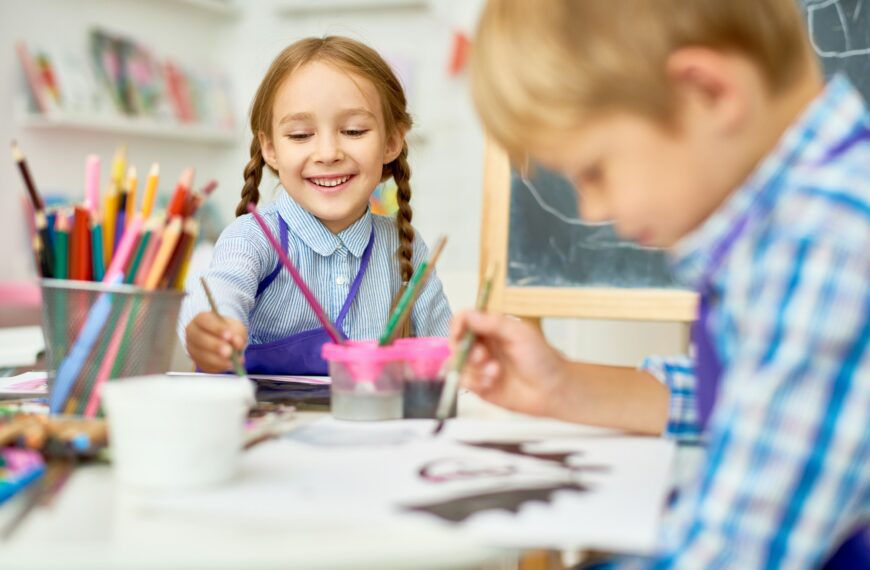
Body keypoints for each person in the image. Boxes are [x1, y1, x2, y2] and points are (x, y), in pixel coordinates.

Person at [456, 1, 869, 567]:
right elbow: (754, 395)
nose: (591, 208)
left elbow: (730, 555)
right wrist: (565, 387)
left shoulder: (826, 242)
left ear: (708, 93)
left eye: (594, 171)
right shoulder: (803, 213)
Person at [180, 36, 450, 375]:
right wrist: (210, 328)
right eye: (300, 135)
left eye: (353, 131)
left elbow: (448, 359)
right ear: (271, 149)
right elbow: (220, 295)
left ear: (392, 141)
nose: (327, 153)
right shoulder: (252, 238)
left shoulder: (408, 248)